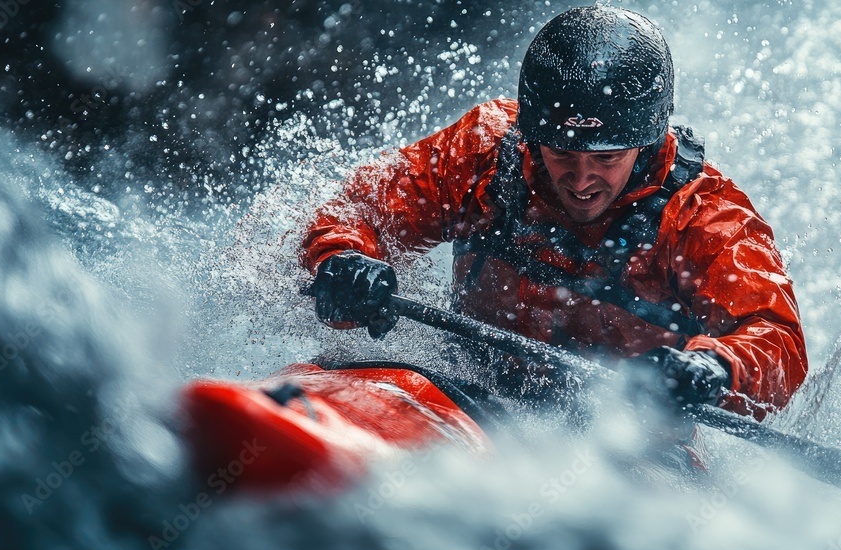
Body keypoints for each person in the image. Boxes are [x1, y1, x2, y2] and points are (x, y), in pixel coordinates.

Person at [299, 6, 807, 451]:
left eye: (606, 157)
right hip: (460, 394)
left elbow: (776, 338)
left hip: (625, 443)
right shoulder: (489, 151)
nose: (582, 179)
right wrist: (341, 261)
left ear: (646, 143)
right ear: (532, 133)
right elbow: (357, 208)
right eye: (562, 151)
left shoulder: (707, 217)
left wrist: (713, 369)